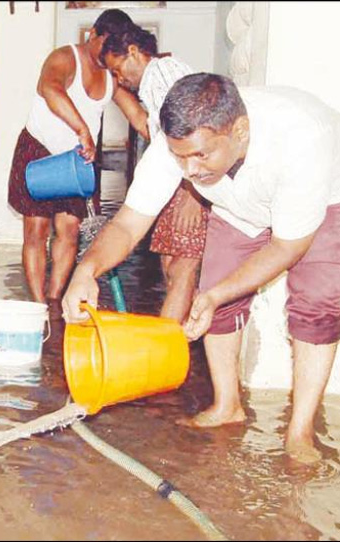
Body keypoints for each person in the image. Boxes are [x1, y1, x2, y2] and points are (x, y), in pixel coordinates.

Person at [62, 73, 340, 463]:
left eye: (201, 156)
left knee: (317, 305)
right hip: (236, 205)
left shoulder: (300, 141)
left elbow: (287, 246)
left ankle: (300, 431)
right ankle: (227, 406)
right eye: (181, 158)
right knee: (213, 294)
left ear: (239, 132)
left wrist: (218, 293)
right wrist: (85, 270)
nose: (189, 171)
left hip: (325, 200)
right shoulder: (173, 147)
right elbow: (128, 224)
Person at [7, 9, 148, 310]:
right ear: (92, 35)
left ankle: (54, 301)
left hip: (75, 162)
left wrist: (170, 136)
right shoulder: (65, 57)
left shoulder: (112, 74)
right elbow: (50, 89)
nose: (108, 53)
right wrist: (83, 130)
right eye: (104, 44)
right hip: (39, 150)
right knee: (36, 231)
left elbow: (137, 116)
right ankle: (36, 303)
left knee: (70, 231)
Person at [100, 24, 209, 324]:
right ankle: (177, 343)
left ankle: (166, 346)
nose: (120, 78)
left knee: (182, 267)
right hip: (178, 183)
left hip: (191, 186)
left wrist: (194, 197)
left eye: (119, 69)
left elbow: (191, 131)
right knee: (171, 268)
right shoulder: (151, 85)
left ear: (134, 52)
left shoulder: (162, 72)